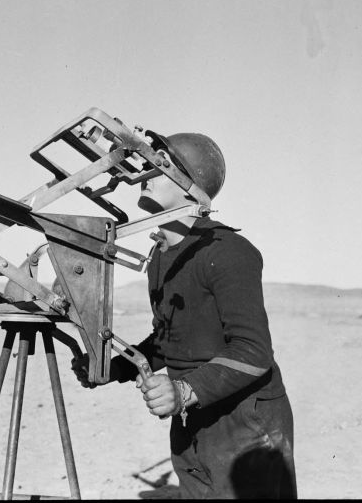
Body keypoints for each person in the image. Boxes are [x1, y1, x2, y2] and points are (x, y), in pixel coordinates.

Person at [72, 130, 297, 499]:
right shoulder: (162, 256)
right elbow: (168, 339)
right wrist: (114, 369)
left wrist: (185, 390)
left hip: (246, 422)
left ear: (191, 186)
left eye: (159, 167)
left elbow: (253, 351)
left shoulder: (228, 252)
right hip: (193, 418)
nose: (145, 174)